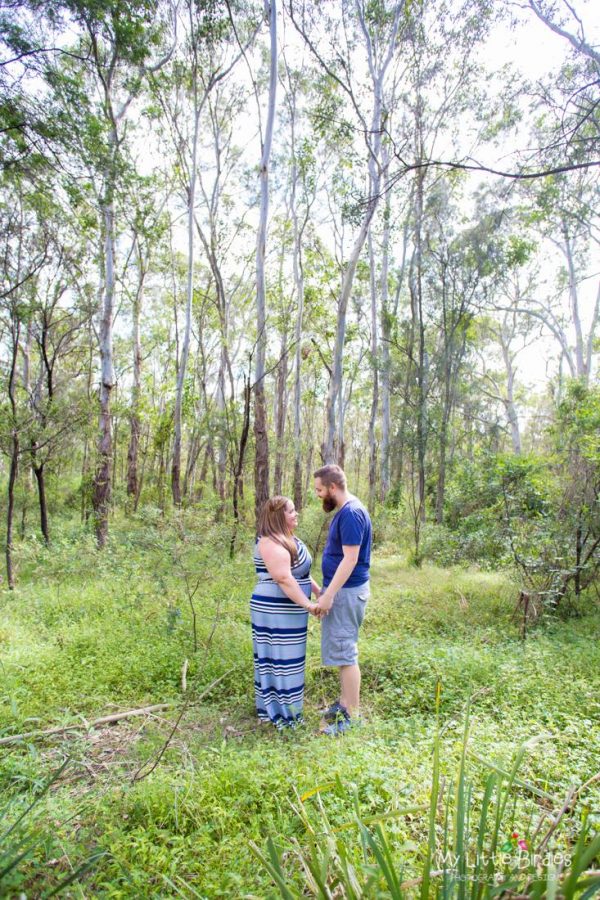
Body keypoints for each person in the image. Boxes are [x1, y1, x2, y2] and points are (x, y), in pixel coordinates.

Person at [251, 496, 322, 729]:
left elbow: (301, 572)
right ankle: (279, 713)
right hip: (274, 610)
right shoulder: (269, 542)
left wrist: (318, 592)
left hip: (291, 610)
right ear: (278, 516)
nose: (296, 514)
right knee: (278, 660)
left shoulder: (289, 538)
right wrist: (308, 605)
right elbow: (283, 577)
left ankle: (290, 708)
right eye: (292, 511)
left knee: (290, 661)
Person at [314, 464, 372, 736]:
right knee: (341, 649)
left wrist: (328, 595)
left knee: (346, 652)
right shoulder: (346, 511)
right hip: (345, 590)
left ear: (332, 488)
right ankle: (345, 704)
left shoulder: (351, 513)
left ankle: (353, 717)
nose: (318, 494)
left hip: (347, 592)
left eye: (319, 489)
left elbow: (350, 559)